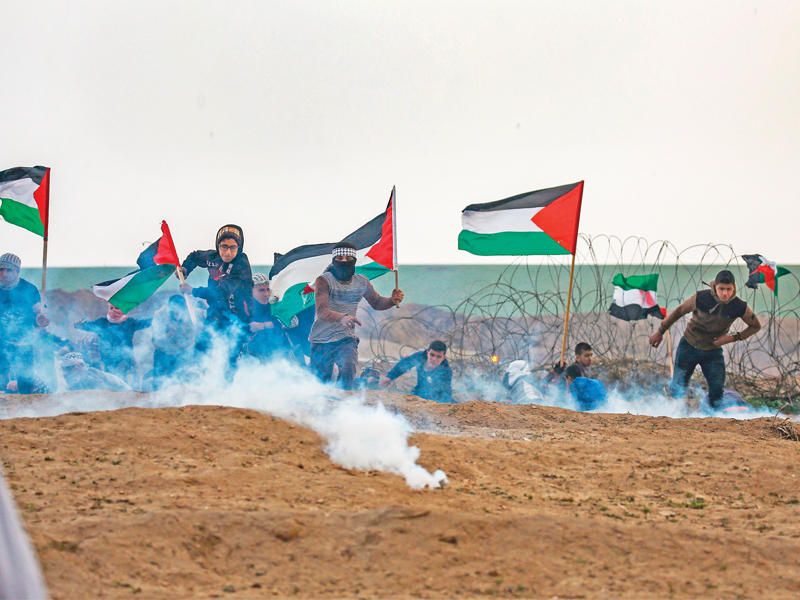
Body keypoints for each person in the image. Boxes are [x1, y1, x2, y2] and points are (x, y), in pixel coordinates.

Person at [649, 269, 761, 409]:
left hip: (712, 351)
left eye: (729, 289)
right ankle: (675, 414)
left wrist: (732, 338)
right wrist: (660, 331)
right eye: (721, 289)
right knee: (678, 387)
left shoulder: (738, 306)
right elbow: (679, 311)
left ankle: (712, 418)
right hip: (689, 346)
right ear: (715, 286)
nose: (725, 293)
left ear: (734, 288)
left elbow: (755, 326)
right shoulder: (701, 298)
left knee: (717, 391)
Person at [308, 242, 403, 388]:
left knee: (348, 368)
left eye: (348, 258)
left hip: (345, 338)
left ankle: (345, 399)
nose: (344, 261)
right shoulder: (324, 280)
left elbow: (377, 302)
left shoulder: (361, 281)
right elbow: (321, 311)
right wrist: (342, 318)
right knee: (320, 383)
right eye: (340, 258)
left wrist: (392, 300)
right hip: (321, 339)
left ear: (354, 261)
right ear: (334, 260)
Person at [179, 224, 253, 367]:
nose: (228, 252)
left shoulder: (241, 264)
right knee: (202, 348)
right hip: (216, 312)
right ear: (218, 246)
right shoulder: (212, 258)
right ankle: (200, 377)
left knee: (230, 357)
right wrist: (186, 268)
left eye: (233, 247)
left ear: (239, 248)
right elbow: (195, 256)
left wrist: (193, 291)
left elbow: (221, 292)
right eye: (224, 247)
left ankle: (229, 380)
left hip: (238, 317)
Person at [0, 253, 50, 393]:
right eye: (1, 269)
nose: (4, 274)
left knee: (25, 380)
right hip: (1, 341)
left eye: (9, 270)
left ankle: (28, 404)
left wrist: (42, 316)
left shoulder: (28, 289)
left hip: (24, 341)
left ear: (17, 272)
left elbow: (39, 309)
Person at [74, 302, 151, 386]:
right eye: (111, 308)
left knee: (128, 383)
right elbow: (88, 326)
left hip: (126, 359)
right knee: (110, 383)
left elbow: (146, 323)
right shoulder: (102, 322)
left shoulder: (129, 322)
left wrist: (157, 317)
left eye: (116, 308)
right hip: (107, 360)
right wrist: (79, 325)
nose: (114, 310)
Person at [244, 273, 298, 361]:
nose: (266, 294)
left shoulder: (275, 303)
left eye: (267, 289)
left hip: (281, 352)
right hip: (254, 355)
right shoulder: (244, 307)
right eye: (261, 290)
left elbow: (293, 321)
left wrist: (265, 325)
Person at [380, 340, 454, 403]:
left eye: (438, 356)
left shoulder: (446, 370)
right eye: (432, 355)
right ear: (427, 352)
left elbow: (445, 391)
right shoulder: (420, 356)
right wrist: (389, 377)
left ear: (443, 357)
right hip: (418, 392)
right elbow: (404, 364)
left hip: (436, 398)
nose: (434, 359)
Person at [150, 294, 196, 388]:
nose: (177, 313)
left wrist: (182, 344)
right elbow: (156, 339)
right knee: (159, 383)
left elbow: (191, 337)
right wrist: (168, 334)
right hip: (162, 353)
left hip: (181, 353)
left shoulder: (189, 315)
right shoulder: (160, 315)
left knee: (180, 384)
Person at [563, 342, 606, 410]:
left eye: (591, 355)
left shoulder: (584, 369)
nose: (590, 358)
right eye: (586, 356)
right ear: (577, 357)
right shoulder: (575, 368)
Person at [60, 352, 130, 391]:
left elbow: (121, 385)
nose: (67, 371)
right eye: (67, 368)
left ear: (77, 366)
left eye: (69, 368)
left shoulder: (95, 375)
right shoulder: (67, 380)